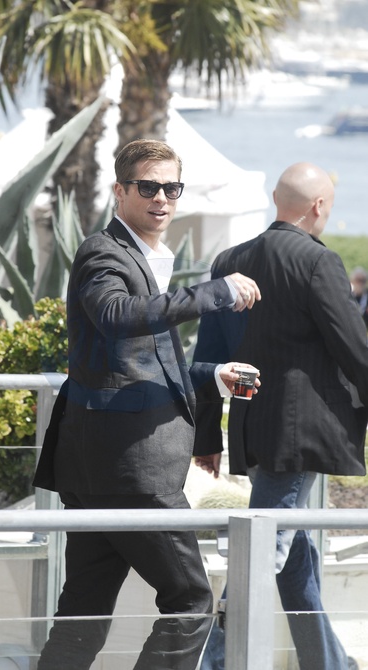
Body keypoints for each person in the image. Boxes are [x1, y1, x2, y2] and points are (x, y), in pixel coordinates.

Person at [33, 138, 261, 670]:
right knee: (191, 601)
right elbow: (116, 315)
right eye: (148, 187)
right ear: (120, 190)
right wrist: (215, 292)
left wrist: (213, 376)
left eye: (172, 188)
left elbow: (135, 362)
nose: (161, 198)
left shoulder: (145, 257)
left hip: (104, 470)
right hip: (133, 473)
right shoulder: (104, 252)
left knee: (84, 612)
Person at [193, 162, 368, 670]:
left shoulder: (229, 260)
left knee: (293, 558)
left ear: (275, 197)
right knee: (264, 552)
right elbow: (354, 348)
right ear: (318, 206)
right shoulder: (318, 261)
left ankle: (328, 662)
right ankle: (212, 663)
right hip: (299, 433)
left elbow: (210, 356)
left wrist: (208, 437)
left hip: (251, 425)